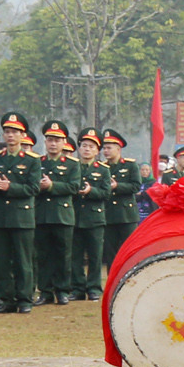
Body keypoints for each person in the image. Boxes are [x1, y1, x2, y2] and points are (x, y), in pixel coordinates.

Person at [0, 114, 40, 313]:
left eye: (15, 132)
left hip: (21, 217)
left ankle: (24, 299)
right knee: (1, 261)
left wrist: (10, 187)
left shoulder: (32, 160)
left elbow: (33, 188)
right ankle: (7, 299)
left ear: (23, 135)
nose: (10, 135)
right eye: (7, 132)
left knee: (23, 261)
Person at [34, 121, 80, 305]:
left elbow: (74, 187)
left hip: (62, 215)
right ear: (45, 142)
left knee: (63, 255)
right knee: (43, 255)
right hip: (41, 214)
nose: (53, 144)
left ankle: (62, 290)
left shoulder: (72, 164)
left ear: (64, 143)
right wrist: (39, 187)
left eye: (57, 140)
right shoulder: (37, 162)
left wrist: (52, 186)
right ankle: (45, 291)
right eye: (50, 140)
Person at [70, 128, 109, 301]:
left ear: (97, 151)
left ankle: (94, 288)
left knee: (95, 256)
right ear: (79, 148)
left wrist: (91, 191)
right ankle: (77, 288)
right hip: (75, 216)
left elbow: (106, 193)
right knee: (75, 255)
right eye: (84, 145)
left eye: (91, 147)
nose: (87, 149)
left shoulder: (103, 170)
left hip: (95, 218)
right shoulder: (72, 167)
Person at [99, 130, 142, 271]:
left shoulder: (130, 165)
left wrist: (117, 186)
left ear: (118, 149)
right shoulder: (102, 167)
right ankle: (112, 277)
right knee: (110, 252)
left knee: (130, 249)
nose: (106, 151)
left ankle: (130, 275)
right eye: (104, 148)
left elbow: (136, 186)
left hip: (126, 215)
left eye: (109, 148)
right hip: (108, 214)